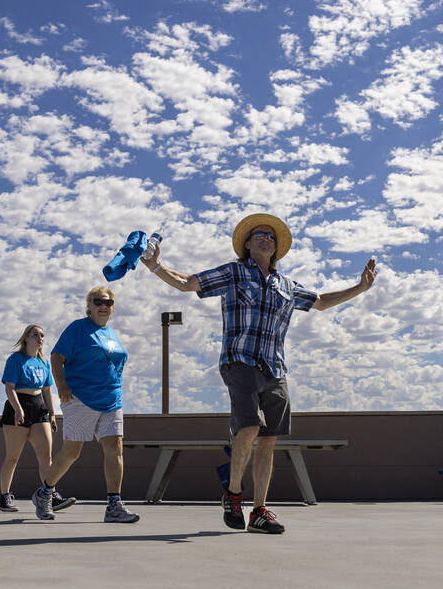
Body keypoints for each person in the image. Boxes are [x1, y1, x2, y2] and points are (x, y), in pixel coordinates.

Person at [141, 213, 377, 534]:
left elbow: (320, 302)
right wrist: (155, 265)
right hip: (239, 361)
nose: (266, 237)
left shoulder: (287, 286)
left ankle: (259, 511)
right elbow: (188, 283)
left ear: (276, 247)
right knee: (250, 427)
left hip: (274, 367)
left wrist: (360, 288)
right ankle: (234, 493)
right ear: (248, 245)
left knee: (269, 440)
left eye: (271, 235)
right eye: (259, 234)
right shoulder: (234, 272)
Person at [31, 287, 139, 523]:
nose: (104, 306)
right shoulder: (78, 329)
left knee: (115, 447)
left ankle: (114, 505)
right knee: (71, 452)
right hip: (80, 398)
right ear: (89, 306)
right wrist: (61, 386)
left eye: (108, 302)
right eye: (98, 301)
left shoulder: (111, 334)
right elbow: (56, 357)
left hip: (111, 400)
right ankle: (44, 493)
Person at [0, 325, 72, 512]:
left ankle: (50, 495)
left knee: (46, 457)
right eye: (35, 335)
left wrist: (52, 413)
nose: (39, 338)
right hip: (18, 405)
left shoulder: (44, 362)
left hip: (39, 407)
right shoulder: (16, 359)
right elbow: (9, 387)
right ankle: (5, 497)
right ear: (25, 339)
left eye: (42, 335)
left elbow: (47, 390)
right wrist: (17, 408)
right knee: (12, 457)